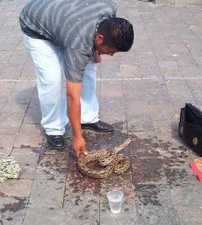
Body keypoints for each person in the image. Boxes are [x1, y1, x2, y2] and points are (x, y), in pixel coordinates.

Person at [19, 0, 134, 158]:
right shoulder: (77, 43)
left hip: (67, 22)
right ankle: (54, 129)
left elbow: (96, 35)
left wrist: (97, 51)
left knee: (89, 65)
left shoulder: (110, 7)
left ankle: (88, 118)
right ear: (99, 38)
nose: (111, 55)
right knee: (53, 79)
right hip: (36, 25)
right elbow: (72, 95)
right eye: (110, 50)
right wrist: (77, 137)